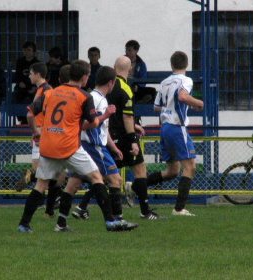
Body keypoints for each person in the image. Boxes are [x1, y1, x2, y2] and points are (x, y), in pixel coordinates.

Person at [17, 60, 137, 232]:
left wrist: (36, 132)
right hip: (69, 147)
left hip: (48, 145)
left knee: (41, 185)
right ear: (84, 77)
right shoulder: (83, 96)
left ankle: (24, 224)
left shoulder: (51, 92)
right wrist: (103, 117)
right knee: (97, 178)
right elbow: (94, 123)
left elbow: (30, 114)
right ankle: (111, 221)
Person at [107, 56, 166, 220]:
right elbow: (126, 118)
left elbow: (115, 114)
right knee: (140, 171)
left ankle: (82, 207)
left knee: (106, 174)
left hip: (109, 136)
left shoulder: (109, 87)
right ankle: (145, 212)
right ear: (131, 69)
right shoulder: (125, 88)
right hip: (124, 136)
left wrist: (133, 126)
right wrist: (133, 139)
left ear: (114, 67)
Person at [146, 51, 203, 217]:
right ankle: (179, 209)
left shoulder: (164, 82)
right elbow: (183, 96)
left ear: (171, 65)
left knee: (172, 171)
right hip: (177, 128)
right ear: (186, 65)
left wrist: (171, 108)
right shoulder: (186, 80)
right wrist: (199, 103)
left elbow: (156, 107)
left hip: (164, 128)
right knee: (190, 167)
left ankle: (135, 187)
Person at [70, 66, 127, 223]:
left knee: (76, 183)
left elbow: (102, 128)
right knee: (115, 180)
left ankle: (73, 213)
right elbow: (85, 124)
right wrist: (105, 115)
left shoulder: (97, 98)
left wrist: (113, 147)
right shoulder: (96, 100)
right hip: (93, 146)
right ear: (111, 82)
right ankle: (117, 219)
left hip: (92, 145)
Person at [13, 62, 64, 217]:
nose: (29, 76)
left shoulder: (46, 90)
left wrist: (39, 131)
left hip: (44, 133)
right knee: (47, 172)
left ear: (37, 74)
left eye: (30, 73)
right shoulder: (42, 90)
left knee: (49, 173)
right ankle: (49, 208)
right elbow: (36, 114)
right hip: (41, 133)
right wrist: (34, 132)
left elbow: (45, 115)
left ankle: (48, 207)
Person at [14, 41, 40, 125]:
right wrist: (19, 83)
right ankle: (21, 119)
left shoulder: (37, 63)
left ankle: (28, 120)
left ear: (34, 52)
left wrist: (35, 88)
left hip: (33, 89)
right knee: (15, 97)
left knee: (29, 100)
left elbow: (39, 77)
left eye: (29, 50)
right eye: (25, 50)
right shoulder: (20, 62)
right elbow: (17, 75)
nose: (26, 52)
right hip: (21, 88)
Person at [125, 40, 154, 104]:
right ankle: (136, 101)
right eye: (126, 50)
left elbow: (143, 78)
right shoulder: (122, 61)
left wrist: (138, 86)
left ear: (136, 51)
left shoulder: (141, 64)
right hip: (124, 84)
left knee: (152, 91)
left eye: (129, 50)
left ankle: (138, 101)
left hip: (135, 86)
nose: (127, 52)